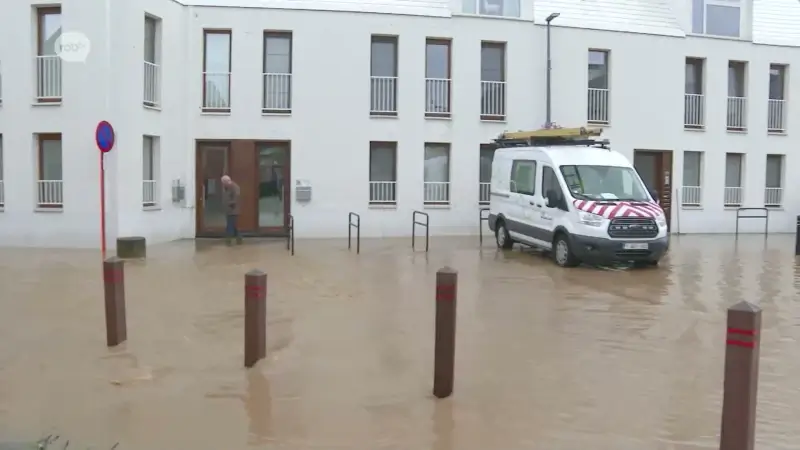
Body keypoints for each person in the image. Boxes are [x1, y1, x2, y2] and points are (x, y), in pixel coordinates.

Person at [221, 175, 242, 245]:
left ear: (227, 181)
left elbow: (236, 198)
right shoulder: (226, 187)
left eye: (223, 182)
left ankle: (228, 241)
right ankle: (239, 239)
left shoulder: (234, 187)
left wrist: (230, 204)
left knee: (230, 226)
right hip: (229, 210)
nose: (223, 184)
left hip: (233, 210)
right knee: (233, 225)